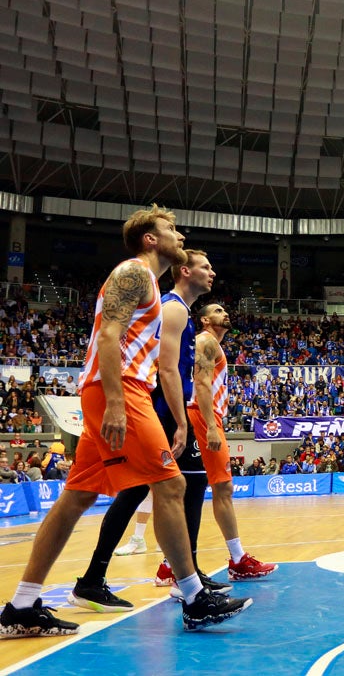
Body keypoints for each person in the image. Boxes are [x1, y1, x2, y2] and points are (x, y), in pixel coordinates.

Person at [1, 207, 249, 637]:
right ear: (150, 239)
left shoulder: (149, 282)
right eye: (170, 229)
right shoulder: (134, 273)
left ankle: (21, 604)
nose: (179, 235)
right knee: (171, 485)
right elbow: (108, 336)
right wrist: (116, 402)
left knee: (75, 498)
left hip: (116, 389)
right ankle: (194, 597)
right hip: (121, 390)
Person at [72, 249, 231, 608]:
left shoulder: (180, 310)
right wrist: (179, 421)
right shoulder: (173, 308)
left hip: (158, 408)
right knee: (171, 489)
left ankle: (111, 576)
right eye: (206, 266)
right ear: (185, 271)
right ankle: (181, 580)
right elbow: (167, 369)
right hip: (154, 408)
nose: (213, 272)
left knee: (158, 491)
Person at [187, 303, 278, 581]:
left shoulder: (212, 343)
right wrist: (212, 426)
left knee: (204, 490)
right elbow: (201, 384)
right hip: (201, 417)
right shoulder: (206, 341)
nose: (224, 313)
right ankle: (237, 560)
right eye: (216, 311)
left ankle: (174, 564)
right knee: (217, 488)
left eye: (224, 310)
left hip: (205, 416)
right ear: (204, 320)